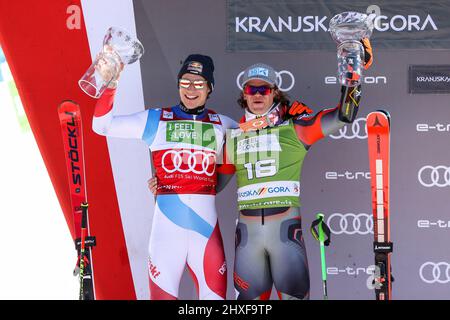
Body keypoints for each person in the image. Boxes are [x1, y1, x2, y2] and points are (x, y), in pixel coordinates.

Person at [225, 40, 373, 300]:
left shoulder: (294, 129)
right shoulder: (233, 137)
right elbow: (209, 184)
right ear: (244, 94)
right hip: (247, 240)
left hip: (285, 236)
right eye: (252, 88)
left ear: (274, 93)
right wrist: (165, 187)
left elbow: (344, 116)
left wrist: (354, 74)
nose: (258, 94)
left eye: (265, 88)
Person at [92, 54, 237, 300]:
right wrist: (111, 85)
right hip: (166, 235)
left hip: (206, 235)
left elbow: (253, 145)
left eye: (199, 83)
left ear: (210, 88)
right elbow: (102, 126)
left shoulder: (225, 125)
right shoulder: (156, 119)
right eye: (185, 82)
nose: (191, 89)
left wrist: (202, 185)